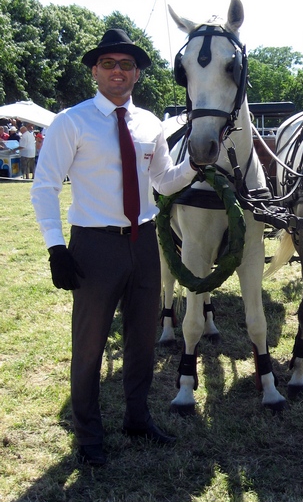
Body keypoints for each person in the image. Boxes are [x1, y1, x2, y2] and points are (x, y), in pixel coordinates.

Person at [31, 28, 197, 467]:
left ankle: (137, 419)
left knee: (142, 339)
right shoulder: (72, 121)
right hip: (94, 247)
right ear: (94, 72)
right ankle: (88, 435)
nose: (118, 72)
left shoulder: (150, 125)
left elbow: (162, 182)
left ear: (138, 73)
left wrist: (195, 166)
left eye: (126, 65)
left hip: (143, 243)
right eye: (109, 64)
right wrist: (55, 247)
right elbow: (45, 185)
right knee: (89, 345)